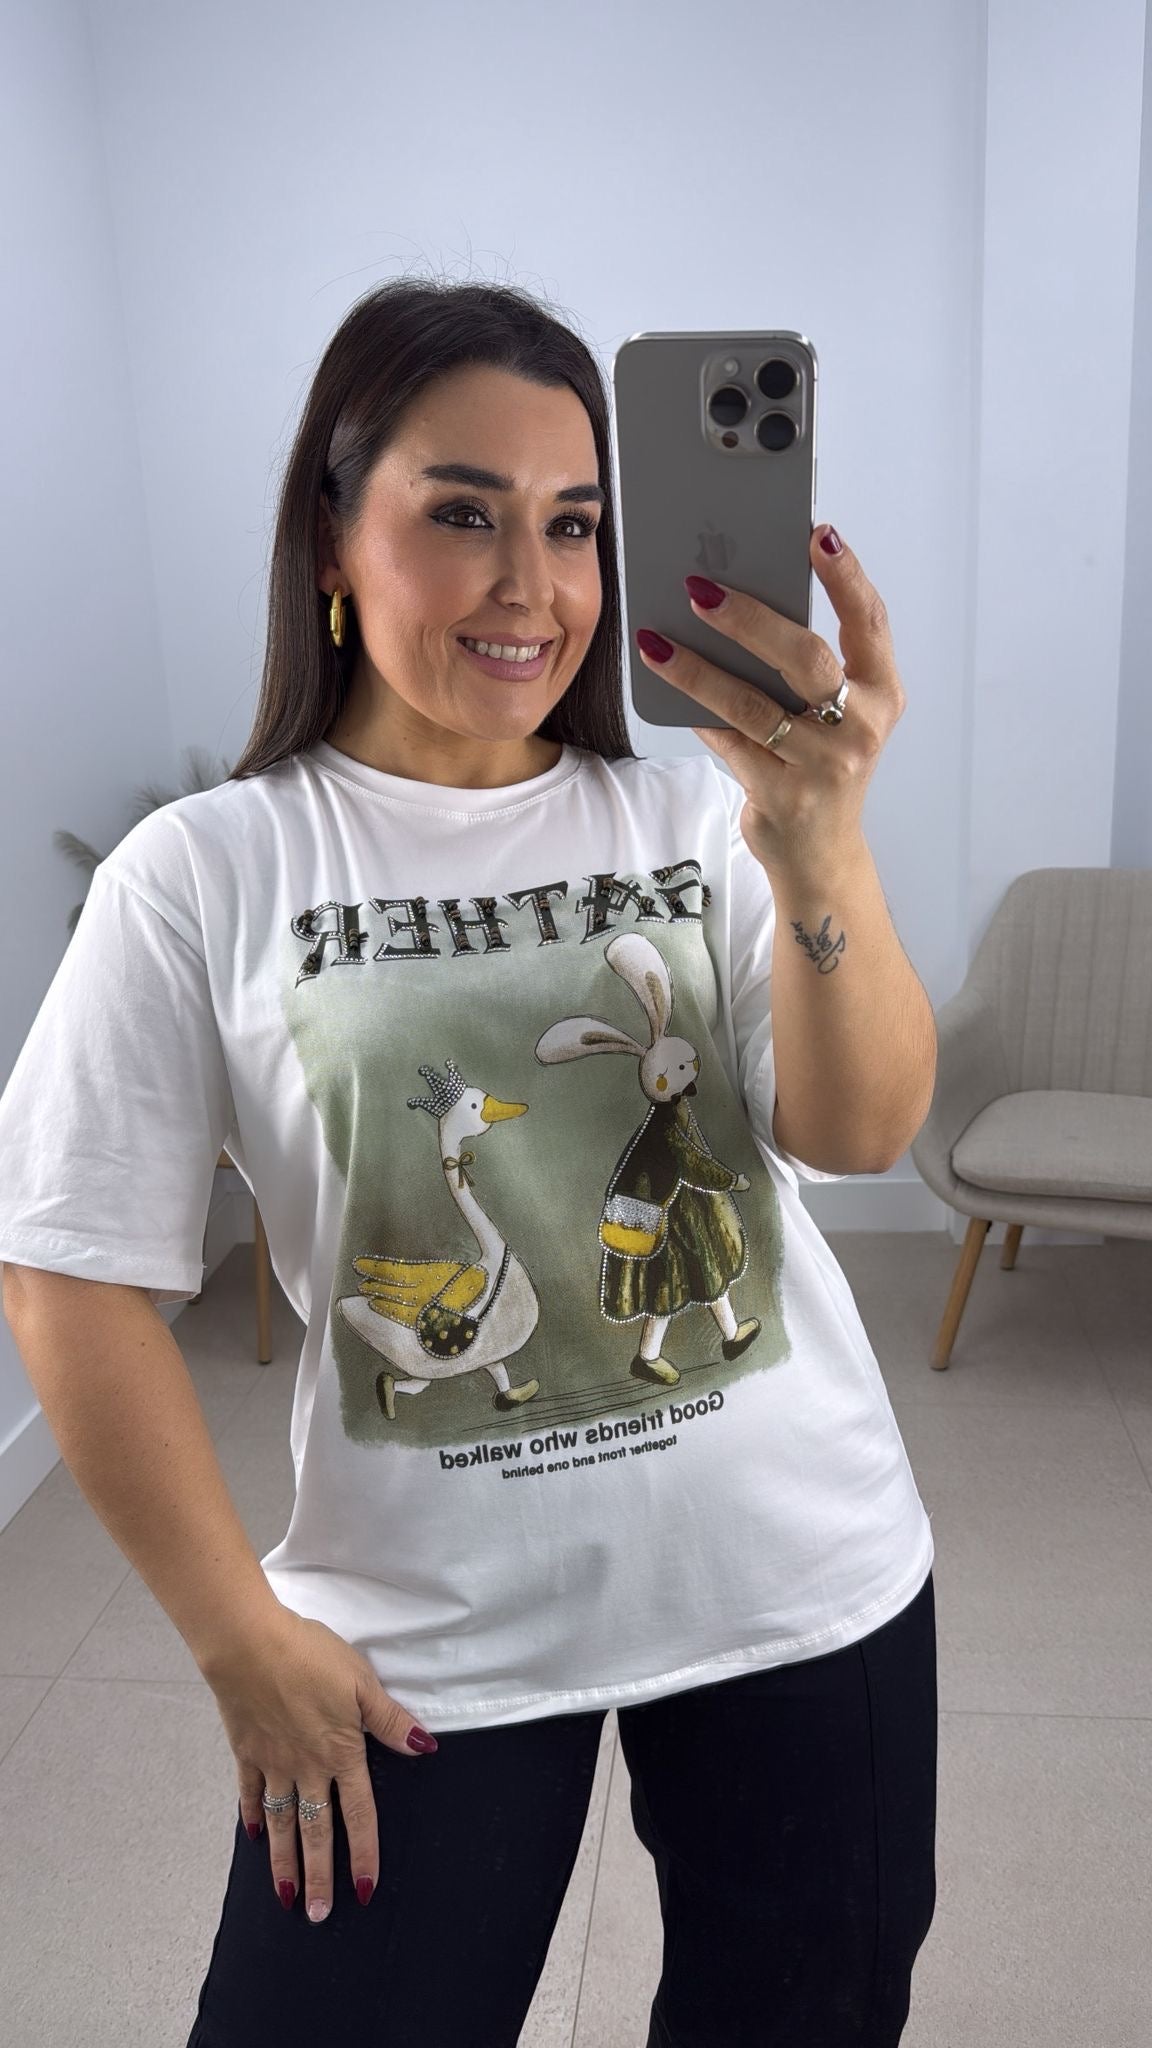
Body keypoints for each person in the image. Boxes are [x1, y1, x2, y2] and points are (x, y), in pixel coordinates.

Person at [0, 278, 937, 2047]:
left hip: (803, 1580)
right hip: (418, 1644)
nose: (533, 585)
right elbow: (68, 1272)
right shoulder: (204, 872)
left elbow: (862, 1131)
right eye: (462, 514)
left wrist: (822, 847)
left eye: (575, 524)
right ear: (331, 541)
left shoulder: (696, 812)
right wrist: (236, 1637)